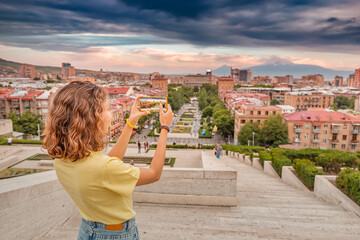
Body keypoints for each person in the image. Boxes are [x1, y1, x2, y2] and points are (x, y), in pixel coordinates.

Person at [42, 81, 174, 240]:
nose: (110, 115)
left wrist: (130, 124)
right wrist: (164, 128)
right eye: (107, 109)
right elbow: (154, 174)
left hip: (87, 230)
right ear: (93, 118)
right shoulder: (102, 168)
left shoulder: (61, 158)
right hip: (116, 234)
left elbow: (108, 165)